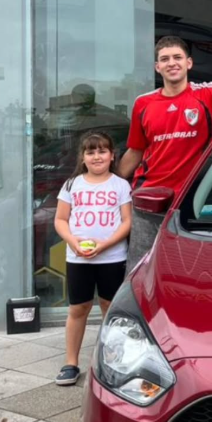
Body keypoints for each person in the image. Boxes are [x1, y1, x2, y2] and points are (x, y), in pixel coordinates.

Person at [118, 35, 212, 271]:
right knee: (140, 271)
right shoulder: (143, 103)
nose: (172, 63)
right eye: (165, 59)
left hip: (192, 203)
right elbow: (136, 151)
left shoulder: (209, 95)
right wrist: (107, 181)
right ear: (157, 67)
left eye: (177, 57)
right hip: (147, 202)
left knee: (190, 270)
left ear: (189, 63)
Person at [53, 130, 133, 385]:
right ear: (83, 157)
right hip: (78, 259)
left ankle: (114, 360)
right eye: (91, 152)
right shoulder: (71, 184)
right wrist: (73, 241)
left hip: (112, 258)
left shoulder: (120, 185)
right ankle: (71, 363)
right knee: (78, 308)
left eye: (102, 151)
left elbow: (127, 221)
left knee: (111, 308)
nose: (96, 156)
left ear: (112, 156)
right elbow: (60, 219)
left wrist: (106, 244)